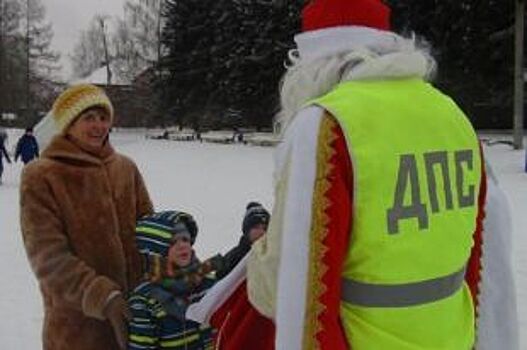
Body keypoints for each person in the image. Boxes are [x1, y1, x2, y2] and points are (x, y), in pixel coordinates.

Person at [191, 0, 518, 349]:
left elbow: (302, 293)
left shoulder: (325, 125)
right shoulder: (452, 116)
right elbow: (489, 263)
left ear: (315, 62)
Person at [19, 84, 154, 350]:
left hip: (137, 322)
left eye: (103, 118)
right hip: (77, 331)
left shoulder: (125, 168)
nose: (98, 125)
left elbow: (150, 233)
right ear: (68, 124)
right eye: (88, 118)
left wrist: (168, 274)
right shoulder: (42, 175)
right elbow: (47, 257)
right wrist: (102, 296)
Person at [128, 207, 268, 349]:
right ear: (155, 249)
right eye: (173, 242)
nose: (183, 245)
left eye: (185, 239)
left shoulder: (208, 284)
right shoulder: (145, 299)